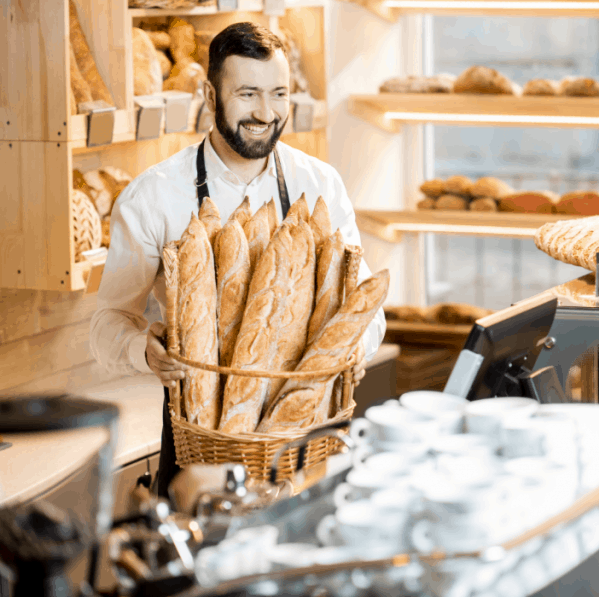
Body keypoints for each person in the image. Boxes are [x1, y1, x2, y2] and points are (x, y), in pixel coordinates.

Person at [89, 22, 385, 498]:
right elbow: (105, 325)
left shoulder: (320, 185)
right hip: (200, 443)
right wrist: (145, 349)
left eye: (278, 94)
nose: (265, 112)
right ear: (210, 94)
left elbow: (368, 310)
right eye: (248, 94)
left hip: (304, 439)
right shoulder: (155, 195)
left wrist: (352, 350)